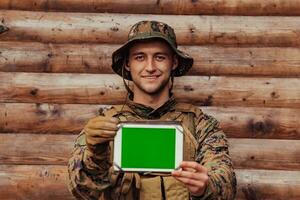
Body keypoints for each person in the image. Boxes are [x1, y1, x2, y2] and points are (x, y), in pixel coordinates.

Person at [68, 20, 237, 200]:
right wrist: (95, 153)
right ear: (127, 64)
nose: (150, 67)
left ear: (174, 62)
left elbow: (226, 183)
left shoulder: (200, 124)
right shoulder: (104, 125)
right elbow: (80, 190)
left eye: (160, 57)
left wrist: (206, 186)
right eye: (140, 57)